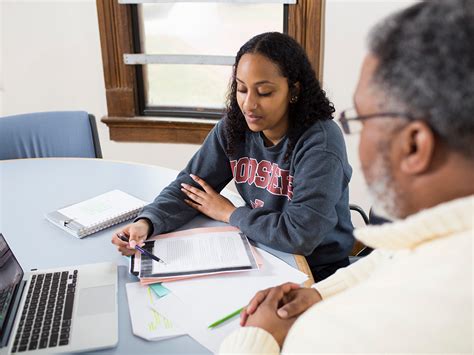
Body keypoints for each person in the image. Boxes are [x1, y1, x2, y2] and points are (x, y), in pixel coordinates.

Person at [220, 0, 474, 353]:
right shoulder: (441, 236)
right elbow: (389, 259)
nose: (250, 103)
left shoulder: (345, 334)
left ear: (415, 145)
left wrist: (259, 336)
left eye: (362, 120)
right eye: (243, 89)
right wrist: (319, 294)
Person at [111, 32, 354, 280]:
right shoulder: (235, 128)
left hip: (317, 271)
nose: (249, 104)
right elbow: (190, 187)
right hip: (262, 252)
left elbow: (300, 237)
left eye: (264, 92)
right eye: (241, 88)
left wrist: (229, 213)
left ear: (294, 91)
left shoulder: (321, 144)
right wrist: (146, 223)